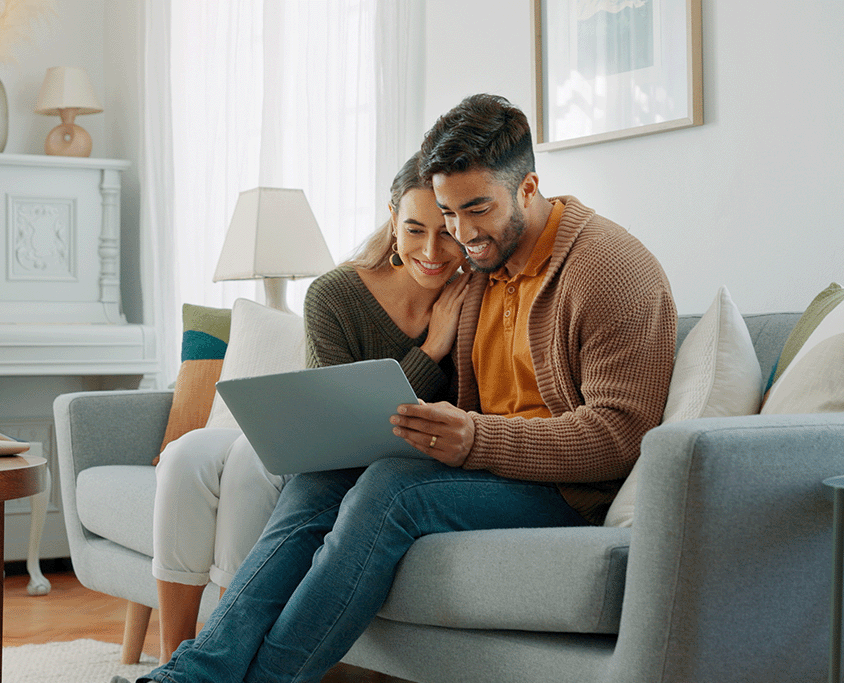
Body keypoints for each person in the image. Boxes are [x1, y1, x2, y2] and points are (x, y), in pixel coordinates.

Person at [125, 93, 677, 683]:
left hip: (570, 491)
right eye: (448, 213)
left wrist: (473, 439)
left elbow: (621, 437)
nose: (462, 235)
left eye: (477, 210)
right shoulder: (483, 269)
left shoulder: (609, 269)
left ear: (528, 186)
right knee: (322, 478)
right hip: (491, 469)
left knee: (392, 488)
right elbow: (466, 400)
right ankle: (192, 675)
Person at [147, 151, 469, 662]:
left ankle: (222, 658)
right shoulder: (336, 294)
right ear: (392, 220)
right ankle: (176, 657)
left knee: (251, 466)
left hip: (384, 462)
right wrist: (430, 352)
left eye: (446, 231)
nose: (432, 250)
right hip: (323, 446)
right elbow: (338, 426)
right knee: (189, 457)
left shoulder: (472, 297)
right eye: (414, 229)